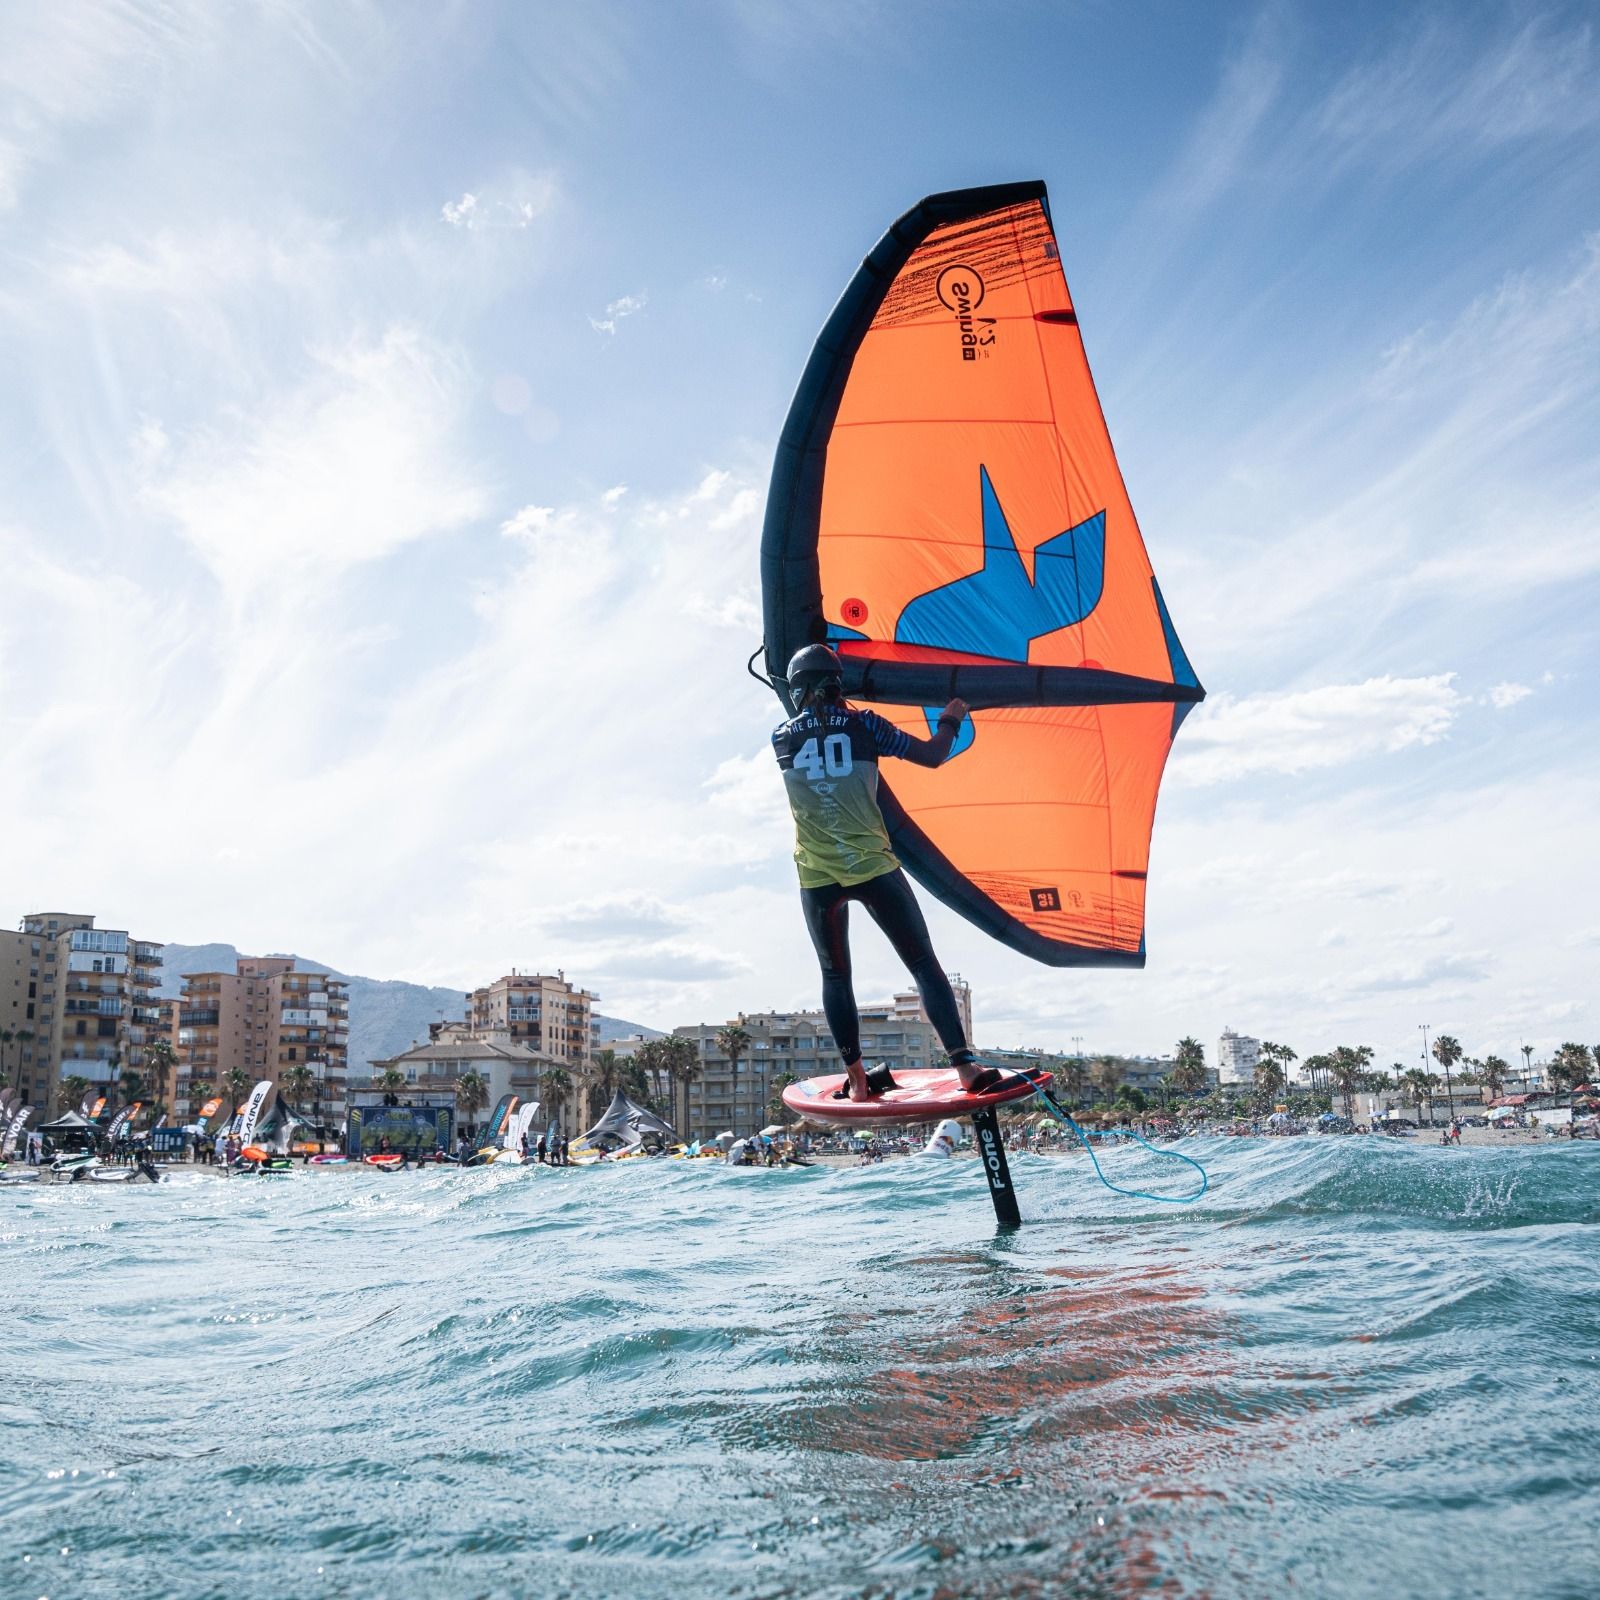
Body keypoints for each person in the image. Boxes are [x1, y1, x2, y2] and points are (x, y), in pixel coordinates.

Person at [773, 642, 993, 1101]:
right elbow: (933, 755)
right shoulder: (866, 725)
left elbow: (818, 737)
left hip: (818, 876)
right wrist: (951, 717)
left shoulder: (781, 738)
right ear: (837, 684)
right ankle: (965, 1067)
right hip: (873, 866)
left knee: (836, 976)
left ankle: (856, 1082)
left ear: (797, 691)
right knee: (923, 965)